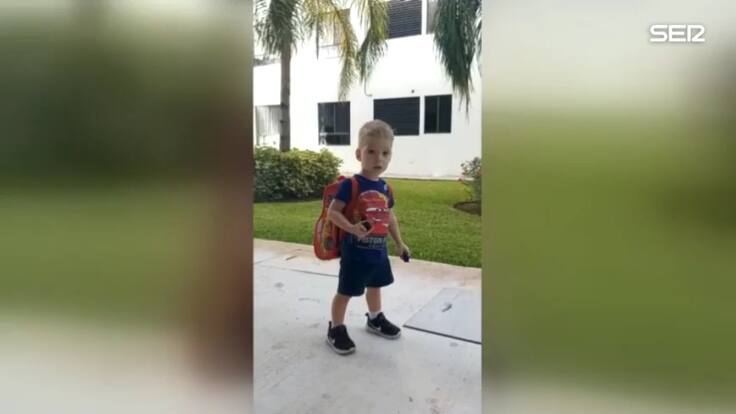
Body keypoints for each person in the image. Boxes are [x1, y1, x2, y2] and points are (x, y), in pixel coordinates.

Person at [325, 119, 411, 355]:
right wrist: (352, 228)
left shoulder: (385, 188)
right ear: (358, 154)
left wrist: (399, 243)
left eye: (385, 153)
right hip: (355, 251)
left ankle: (374, 318)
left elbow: (390, 217)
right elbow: (333, 212)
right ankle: (336, 328)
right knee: (346, 290)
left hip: (378, 250)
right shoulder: (351, 185)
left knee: (376, 285)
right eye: (371, 151)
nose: (378, 158)